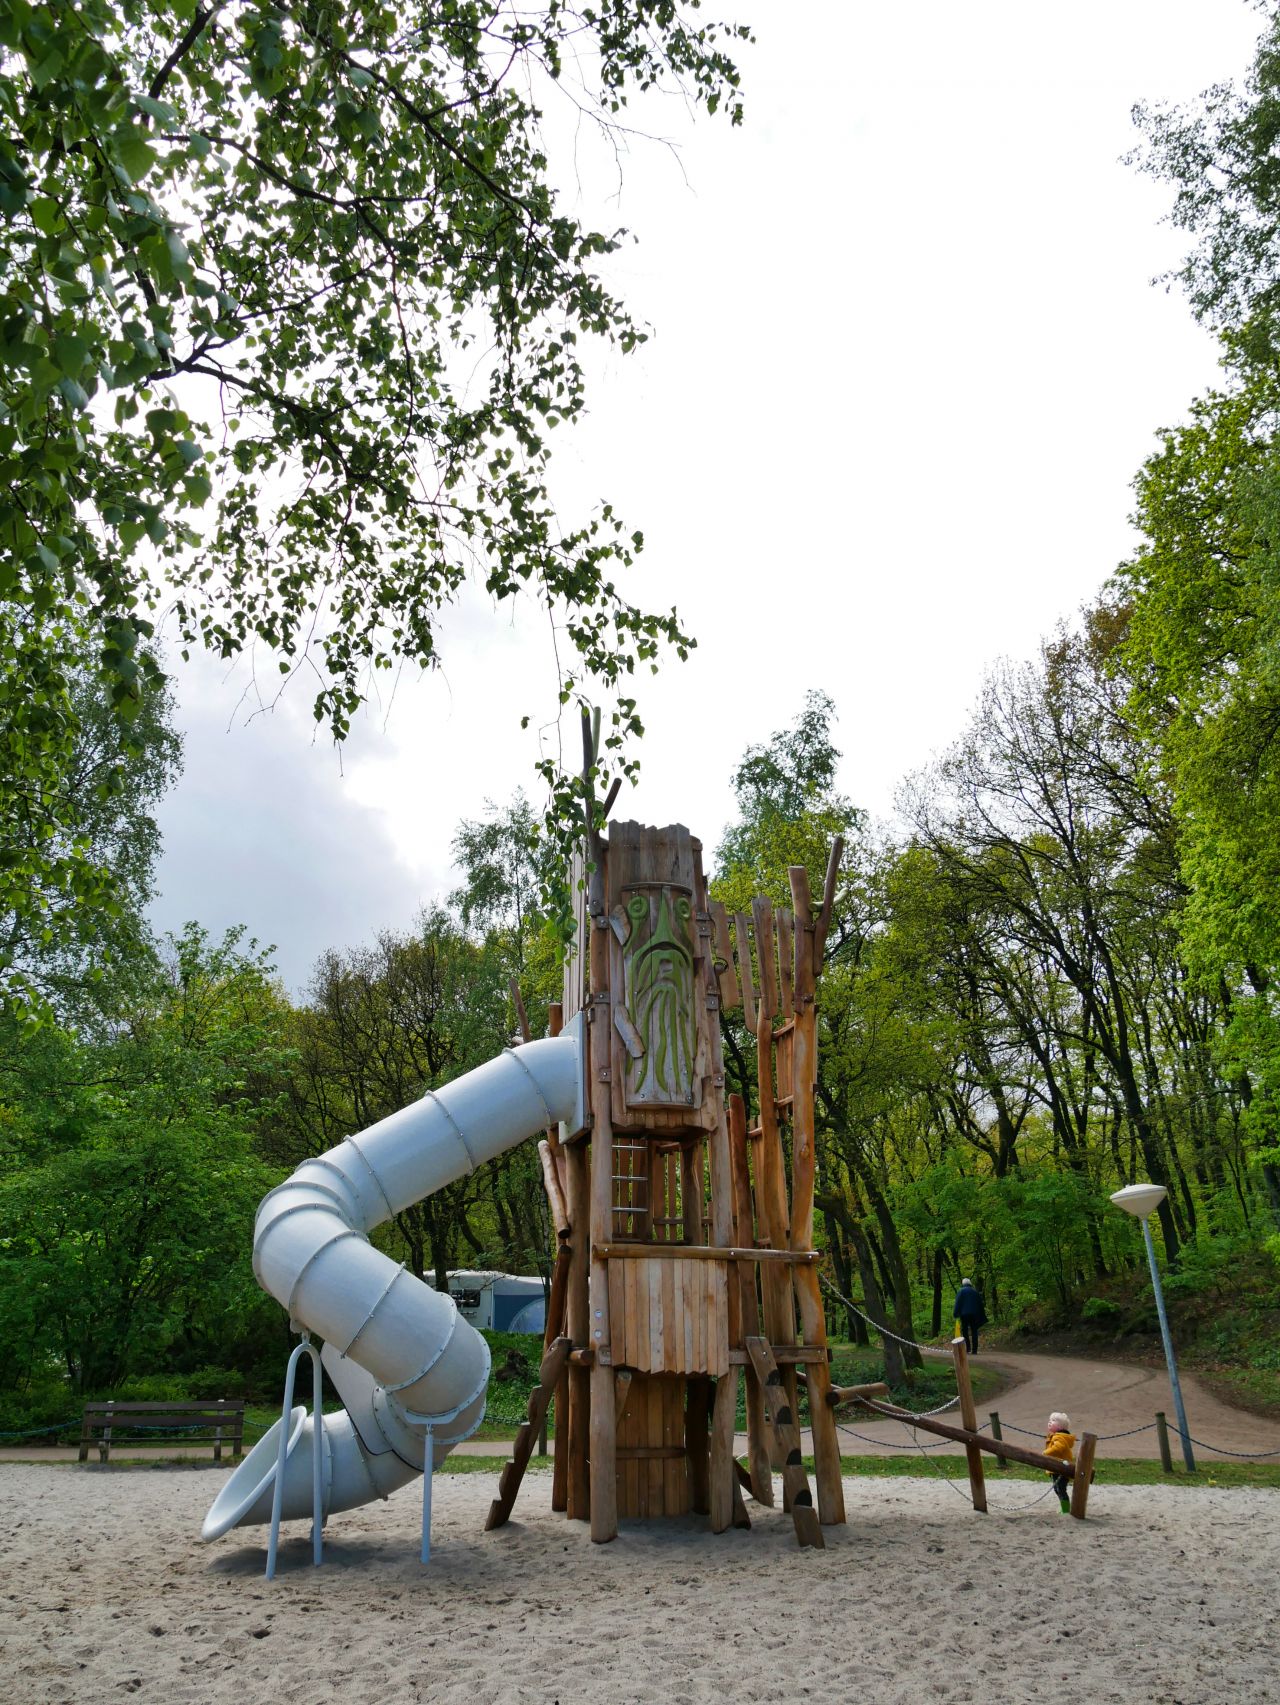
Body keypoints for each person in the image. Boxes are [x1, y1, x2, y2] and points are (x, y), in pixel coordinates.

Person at [1043, 1411, 1076, 1514]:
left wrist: (1046, 1452)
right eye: (1049, 1420)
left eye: (1053, 1420)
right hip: (1057, 1468)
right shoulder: (1056, 1436)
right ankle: (1064, 1507)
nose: (1049, 1422)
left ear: (1060, 1427)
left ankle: (1065, 1509)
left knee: (1060, 1489)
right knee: (1057, 1489)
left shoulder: (1059, 1437)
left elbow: (1058, 1448)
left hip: (1061, 1468)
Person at [952, 1277, 987, 1353]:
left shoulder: (961, 1291)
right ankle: (975, 1350)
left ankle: (967, 1348)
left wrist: (955, 1313)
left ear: (963, 1284)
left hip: (964, 1315)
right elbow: (980, 1304)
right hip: (974, 1314)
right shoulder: (975, 1292)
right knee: (974, 1331)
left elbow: (958, 1303)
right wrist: (982, 1315)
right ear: (970, 1283)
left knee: (965, 1331)